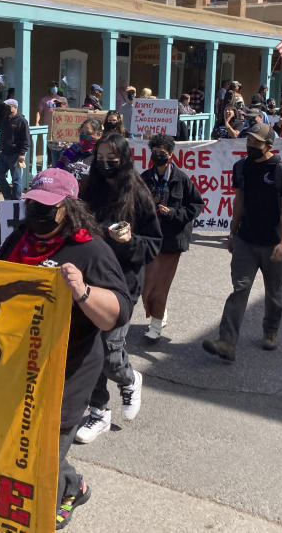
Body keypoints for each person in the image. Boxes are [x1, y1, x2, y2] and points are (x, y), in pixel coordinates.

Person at [0, 168, 131, 531]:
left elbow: (118, 313)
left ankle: (43, 512)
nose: (37, 212)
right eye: (33, 203)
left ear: (67, 209)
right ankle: (73, 485)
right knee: (20, 442)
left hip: (69, 367)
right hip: (22, 361)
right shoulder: (19, 240)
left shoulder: (90, 249)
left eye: (47, 207)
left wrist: (83, 291)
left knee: (43, 453)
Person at [74, 133, 161, 443]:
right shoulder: (90, 190)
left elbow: (153, 245)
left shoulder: (138, 194)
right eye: (100, 158)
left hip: (123, 283)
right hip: (90, 279)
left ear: (123, 159)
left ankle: (129, 378)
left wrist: (129, 242)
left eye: (112, 158)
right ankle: (99, 411)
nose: (105, 164)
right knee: (89, 348)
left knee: (110, 353)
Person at [202, 124, 282, 362]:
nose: (250, 145)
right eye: (249, 141)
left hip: (273, 243)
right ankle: (227, 342)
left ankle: (271, 330)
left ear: (269, 146)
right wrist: (232, 234)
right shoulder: (241, 167)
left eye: (256, 142)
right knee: (240, 289)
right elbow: (239, 202)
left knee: (273, 292)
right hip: (246, 240)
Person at [140, 134, 203, 341]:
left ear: (171, 155)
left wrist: (173, 213)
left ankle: (155, 327)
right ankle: (161, 310)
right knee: (145, 287)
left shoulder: (181, 179)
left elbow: (196, 205)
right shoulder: (145, 178)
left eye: (162, 153)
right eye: (155, 152)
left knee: (161, 286)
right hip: (149, 239)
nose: (158, 156)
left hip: (171, 240)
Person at [0, 98, 30, 200]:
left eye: (8, 106)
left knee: (16, 179)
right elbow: (1, 135)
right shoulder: (4, 119)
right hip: (3, 153)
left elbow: (26, 138)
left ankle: (16, 200)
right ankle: (8, 196)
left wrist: (22, 153)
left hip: (15, 155)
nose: (6, 108)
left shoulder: (22, 121)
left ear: (15, 107)